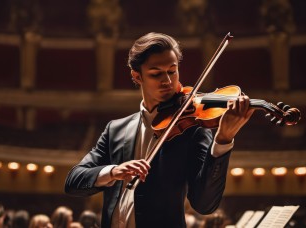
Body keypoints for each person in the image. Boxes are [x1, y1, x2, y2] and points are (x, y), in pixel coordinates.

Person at [65, 32, 253, 228]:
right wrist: (114, 171)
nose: (168, 81)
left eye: (172, 71)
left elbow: (204, 205)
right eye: (156, 74)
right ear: (137, 76)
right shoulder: (116, 129)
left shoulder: (192, 129)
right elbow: (73, 181)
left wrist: (223, 139)